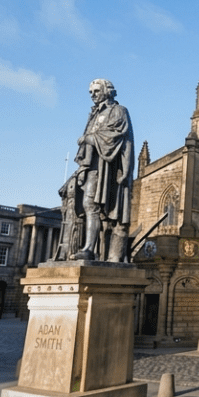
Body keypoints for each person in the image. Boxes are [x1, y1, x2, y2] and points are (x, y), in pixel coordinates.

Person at [71, 79, 135, 263]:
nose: (92, 95)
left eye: (96, 91)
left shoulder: (118, 110)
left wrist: (89, 138)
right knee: (85, 205)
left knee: (93, 206)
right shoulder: (94, 113)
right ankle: (88, 249)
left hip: (108, 166)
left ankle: (91, 250)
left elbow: (116, 135)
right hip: (91, 165)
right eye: (90, 92)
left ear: (107, 91)